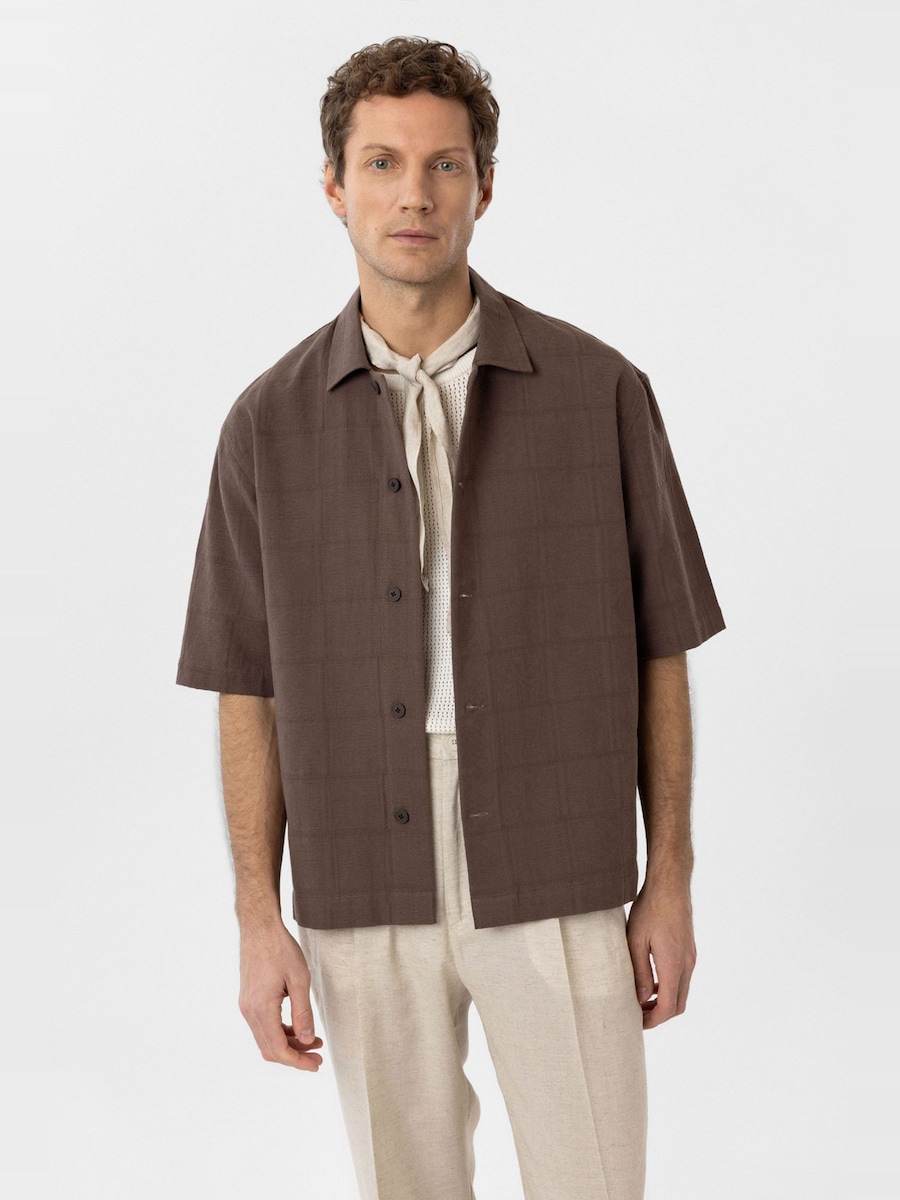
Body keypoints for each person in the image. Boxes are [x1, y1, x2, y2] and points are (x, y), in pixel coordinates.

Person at [176, 35, 725, 1200]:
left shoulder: (601, 392)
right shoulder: (265, 423)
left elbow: (661, 653)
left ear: (486, 185)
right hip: (359, 864)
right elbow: (246, 686)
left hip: (559, 851)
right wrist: (257, 917)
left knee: (594, 1179)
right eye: (381, 164)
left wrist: (669, 877)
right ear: (335, 188)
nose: (414, 195)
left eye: (444, 165)